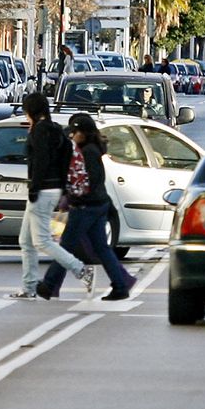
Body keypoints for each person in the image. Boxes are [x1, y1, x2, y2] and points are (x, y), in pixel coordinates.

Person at [38, 112, 136, 301]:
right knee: (101, 248)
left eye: (76, 132)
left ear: (85, 133)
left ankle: (49, 285)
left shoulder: (88, 152)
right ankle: (121, 284)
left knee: (66, 245)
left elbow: (86, 182)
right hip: (97, 205)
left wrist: (73, 197)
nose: (73, 136)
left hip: (86, 206)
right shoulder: (92, 149)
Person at [10, 93, 91, 299]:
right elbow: (65, 158)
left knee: (42, 241)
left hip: (42, 190)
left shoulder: (39, 131)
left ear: (31, 111)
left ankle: (80, 269)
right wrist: (63, 187)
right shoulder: (56, 130)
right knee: (26, 240)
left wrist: (34, 188)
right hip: (54, 189)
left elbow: (40, 162)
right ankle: (29, 287)